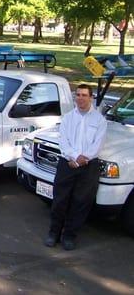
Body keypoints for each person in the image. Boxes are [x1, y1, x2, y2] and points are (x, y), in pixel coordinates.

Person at [45, 84, 107, 250]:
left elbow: (97, 145)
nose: (80, 98)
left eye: (84, 95)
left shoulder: (99, 121)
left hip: (89, 166)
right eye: (78, 95)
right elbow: (63, 141)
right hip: (67, 164)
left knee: (80, 203)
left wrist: (82, 159)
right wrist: (73, 157)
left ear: (91, 97)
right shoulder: (67, 118)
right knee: (60, 201)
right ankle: (53, 233)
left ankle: (69, 236)